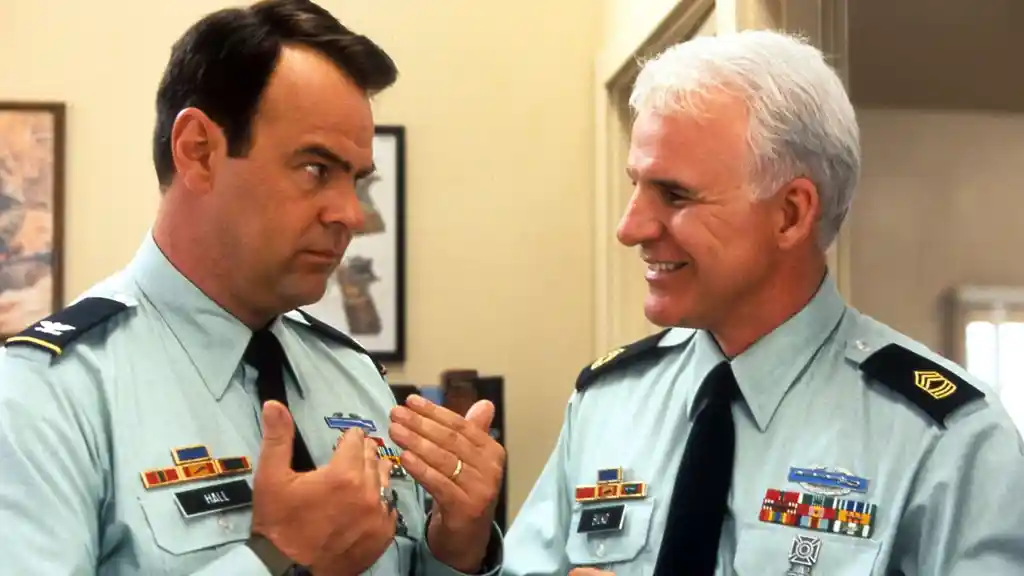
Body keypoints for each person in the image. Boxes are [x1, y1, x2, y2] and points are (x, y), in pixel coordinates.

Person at [0, 1, 505, 574]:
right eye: (316, 168)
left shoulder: (352, 373)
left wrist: (455, 548)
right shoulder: (46, 396)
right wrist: (276, 559)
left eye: (356, 180)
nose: (351, 214)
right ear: (199, 152)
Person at [503, 29, 1024, 575]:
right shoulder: (607, 404)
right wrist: (466, 548)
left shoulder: (948, 440)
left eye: (675, 195)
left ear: (791, 214)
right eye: (636, 185)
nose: (630, 228)